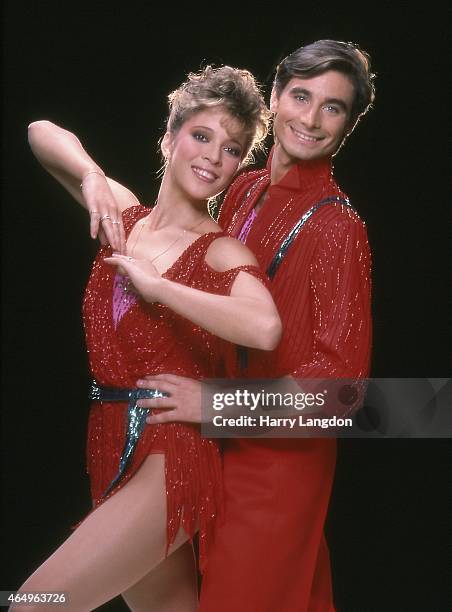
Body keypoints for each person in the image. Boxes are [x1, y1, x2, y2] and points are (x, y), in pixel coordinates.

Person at [15, 66, 282, 611]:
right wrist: (90, 175)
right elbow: (41, 132)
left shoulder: (221, 251)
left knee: (35, 602)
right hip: (110, 443)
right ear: (169, 136)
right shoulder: (123, 216)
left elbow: (265, 327)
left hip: (172, 457)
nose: (213, 156)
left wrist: (160, 288)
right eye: (201, 136)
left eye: (232, 150)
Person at [136, 40, 376, 611]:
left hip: (279, 467)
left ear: (348, 123)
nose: (311, 119)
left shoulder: (338, 228)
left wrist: (214, 404)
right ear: (275, 95)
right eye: (301, 96)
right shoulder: (241, 189)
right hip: (215, 447)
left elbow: (343, 393)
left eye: (333, 107)